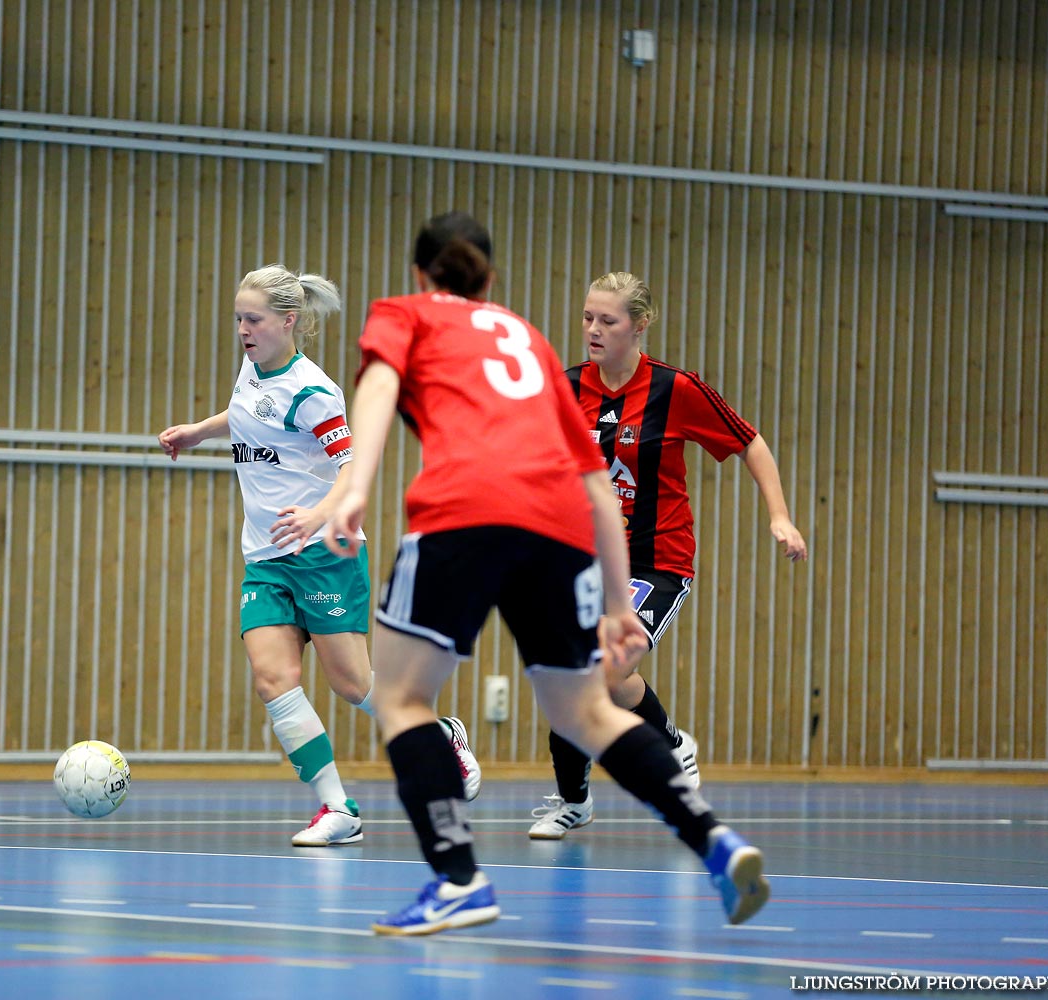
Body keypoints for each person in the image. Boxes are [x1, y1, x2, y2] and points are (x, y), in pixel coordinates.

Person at [324, 213, 770, 935]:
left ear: (419, 275)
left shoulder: (404, 316)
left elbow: (376, 389)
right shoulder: (527, 342)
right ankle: (714, 841)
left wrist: (354, 487)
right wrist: (619, 598)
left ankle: (457, 877)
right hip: (560, 529)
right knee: (588, 711)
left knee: (403, 699)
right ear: (491, 281)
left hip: (464, 511)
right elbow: (594, 479)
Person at [158, 264, 480, 848]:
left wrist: (317, 514)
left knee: (353, 685)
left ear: (290, 322)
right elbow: (249, 416)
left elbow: (352, 467)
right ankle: (339, 808)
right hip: (266, 556)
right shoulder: (253, 369)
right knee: (272, 678)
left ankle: (442, 736)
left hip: (323, 552)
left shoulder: (314, 392)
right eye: (238, 319)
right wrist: (198, 432)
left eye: (253, 320)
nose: (243, 330)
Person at [527, 271, 810, 840]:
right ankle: (612, 778)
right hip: (587, 560)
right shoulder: (567, 387)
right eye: (588, 317)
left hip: (658, 559)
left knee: (595, 670)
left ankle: (585, 788)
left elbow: (749, 441)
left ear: (640, 325)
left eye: (608, 320)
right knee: (576, 674)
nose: (593, 329)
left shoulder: (674, 389)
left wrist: (779, 515)